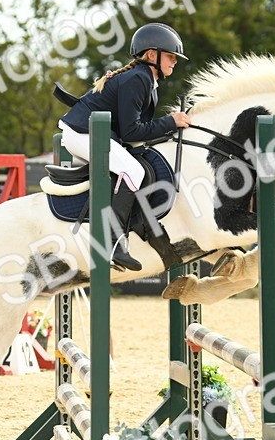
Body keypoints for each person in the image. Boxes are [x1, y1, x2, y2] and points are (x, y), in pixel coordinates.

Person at [58, 22, 192, 271]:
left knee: (137, 163)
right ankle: (114, 242)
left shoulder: (146, 79)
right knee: (133, 170)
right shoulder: (139, 79)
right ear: (152, 54)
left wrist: (168, 125)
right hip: (82, 133)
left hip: (92, 131)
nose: (175, 62)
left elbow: (132, 130)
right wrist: (169, 122)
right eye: (171, 56)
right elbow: (132, 131)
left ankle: (136, 223)